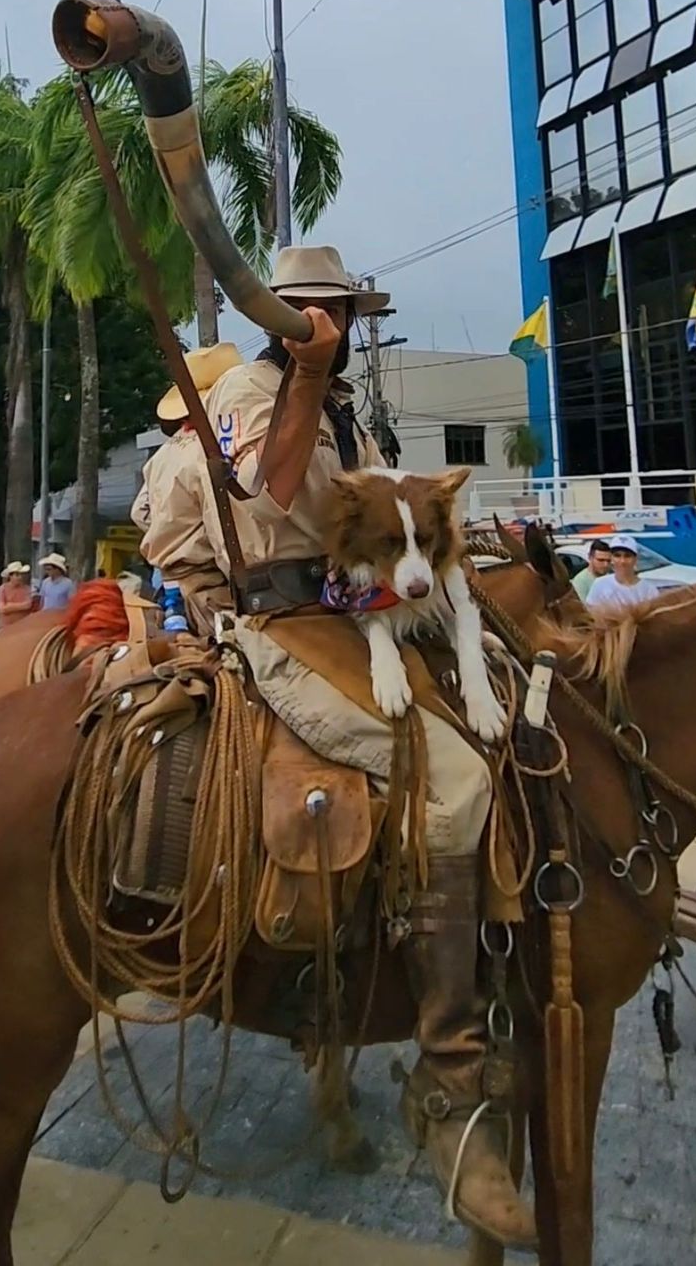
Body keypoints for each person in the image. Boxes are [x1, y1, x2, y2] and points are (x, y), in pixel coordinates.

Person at [194, 245, 532, 1247]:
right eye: (306, 310)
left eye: (334, 310)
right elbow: (271, 490)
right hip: (289, 620)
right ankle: (449, 1075)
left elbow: (400, 524)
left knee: (520, 713)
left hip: (373, 609)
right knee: (452, 780)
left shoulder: (355, 410)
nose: (325, 325)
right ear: (279, 317)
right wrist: (303, 373)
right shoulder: (250, 394)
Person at [135, 343, 244, 633]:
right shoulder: (214, 450)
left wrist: (172, 532)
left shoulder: (162, 455)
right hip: (211, 591)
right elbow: (221, 527)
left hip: (169, 585)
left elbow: (140, 512)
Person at [586, 533, 660, 611]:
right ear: (612, 558)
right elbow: (590, 612)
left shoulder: (649, 590)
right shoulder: (600, 585)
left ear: (635, 559)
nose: (622, 561)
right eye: (617, 555)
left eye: (627, 556)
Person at [571, 537, 612, 602]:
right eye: (601, 560)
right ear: (590, 557)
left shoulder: (611, 577)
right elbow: (583, 606)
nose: (605, 565)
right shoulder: (580, 581)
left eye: (608, 561)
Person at [0, 562, 34, 627]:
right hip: (6, 625)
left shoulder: (27, 589)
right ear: (10, 576)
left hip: (22, 624)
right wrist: (21, 606)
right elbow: (2, 609)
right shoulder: (2, 589)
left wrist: (9, 605)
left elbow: (28, 605)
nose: (20, 577)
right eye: (17, 575)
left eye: (21, 575)